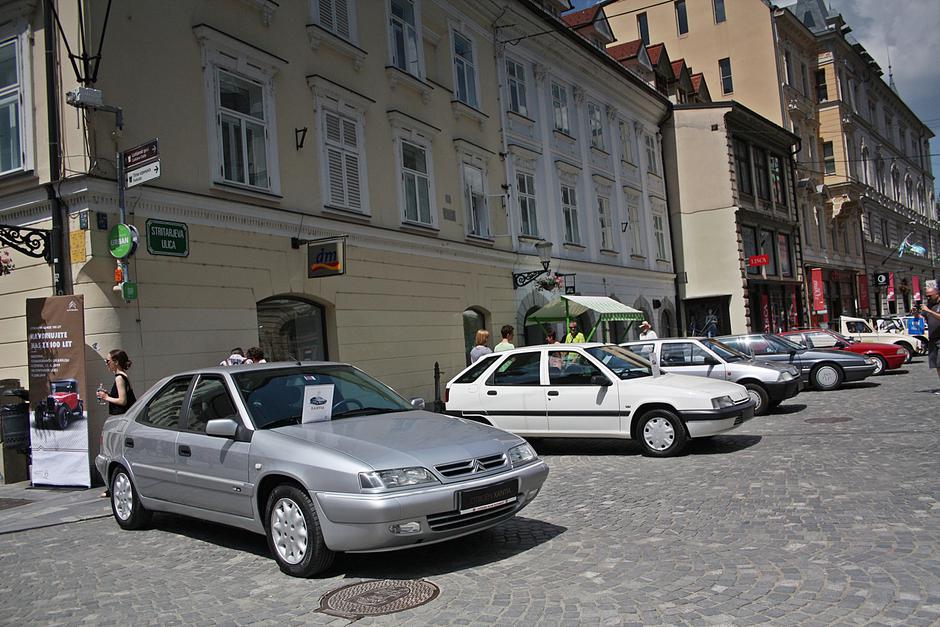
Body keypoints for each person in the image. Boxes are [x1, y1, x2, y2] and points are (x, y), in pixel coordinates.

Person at [96, 349, 137, 498]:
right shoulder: (122, 377)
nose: (107, 364)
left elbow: (122, 401)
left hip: (120, 421)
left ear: (116, 362)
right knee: (116, 453)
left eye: (108, 361)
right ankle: (113, 485)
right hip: (123, 421)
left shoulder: (119, 378)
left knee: (112, 453)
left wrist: (106, 397)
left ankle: (112, 486)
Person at [914, 284, 940, 393]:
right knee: (937, 365)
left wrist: (929, 311)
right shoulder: (929, 305)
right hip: (933, 338)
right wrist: (915, 313)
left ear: (937, 294)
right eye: (927, 296)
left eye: (930, 296)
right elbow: (921, 318)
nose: (928, 298)